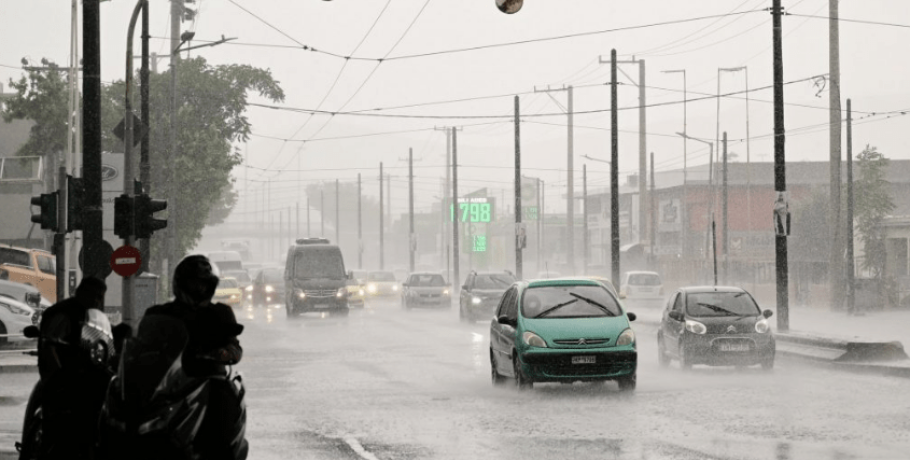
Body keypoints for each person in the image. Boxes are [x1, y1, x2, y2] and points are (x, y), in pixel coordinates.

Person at [99, 255, 247, 460]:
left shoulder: (220, 313)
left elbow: (234, 347)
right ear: (180, 284)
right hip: (163, 383)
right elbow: (140, 341)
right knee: (113, 396)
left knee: (223, 401)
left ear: (211, 287)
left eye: (203, 285)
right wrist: (124, 354)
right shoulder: (159, 312)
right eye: (193, 284)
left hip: (203, 380)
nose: (198, 290)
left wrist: (224, 353)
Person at [35, 276, 111, 460]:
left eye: (100, 297)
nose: (97, 301)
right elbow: (50, 346)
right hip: (65, 381)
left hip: (86, 377)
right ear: (81, 292)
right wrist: (59, 378)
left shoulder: (92, 316)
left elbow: (102, 341)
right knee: (59, 429)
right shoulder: (64, 313)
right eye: (94, 296)